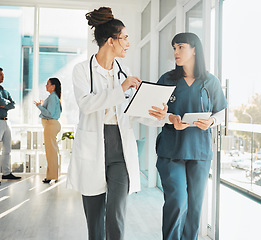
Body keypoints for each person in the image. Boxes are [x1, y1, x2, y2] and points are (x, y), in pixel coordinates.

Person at [66, 7, 167, 240]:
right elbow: (86, 105)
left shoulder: (124, 72)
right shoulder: (82, 70)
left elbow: (131, 110)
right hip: (93, 147)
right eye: (125, 38)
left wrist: (157, 115)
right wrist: (120, 89)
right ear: (111, 41)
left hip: (120, 148)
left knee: (116, 215)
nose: (128, 43)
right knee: (95, 222)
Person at [155, 32, 228, 240]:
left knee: (195, 207)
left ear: (194, 49)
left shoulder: (210, 81)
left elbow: (221, 112)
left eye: (181, 47)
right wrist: (171, 118)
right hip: (171, 150)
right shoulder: (167, 79)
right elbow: (155, 112)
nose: (176, 52)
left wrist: (211, 121)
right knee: (177, 201)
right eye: (174, 48)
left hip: (200, 151)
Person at [34, 78, 62, 184]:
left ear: (53, 86)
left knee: (51, 153)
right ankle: (53, 175)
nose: (46, 86)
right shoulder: (54, 97)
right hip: (52, 125)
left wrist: (39, 106)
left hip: (51, 125)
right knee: (53, 152)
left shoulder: (52, 97)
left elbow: (49, 114)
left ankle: (51, 177)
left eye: (47, 84)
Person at [0, 67, 21, 182]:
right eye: (0, 75)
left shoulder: (4, 91)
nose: (3, 77)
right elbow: (2, 102)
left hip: (6, 121)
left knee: (7, 148)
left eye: (3, 75)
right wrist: (5, 103)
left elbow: (13, 104)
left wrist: (5, 103)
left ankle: (6, 173)